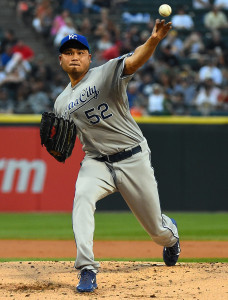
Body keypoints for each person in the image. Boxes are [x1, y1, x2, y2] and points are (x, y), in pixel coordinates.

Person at [54, 20, 181, 293]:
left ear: (89, 57)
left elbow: (134, 61)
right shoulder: (61, 102)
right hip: (96, 162)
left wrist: (154, 40)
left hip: (132, 158)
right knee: (82, 199)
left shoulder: (106, 72)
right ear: (61, 60)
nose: (74, 56)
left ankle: (172, 238)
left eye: (79, 52)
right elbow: (69, 137)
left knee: (157, 231)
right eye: (68, 52)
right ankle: (87, 268)